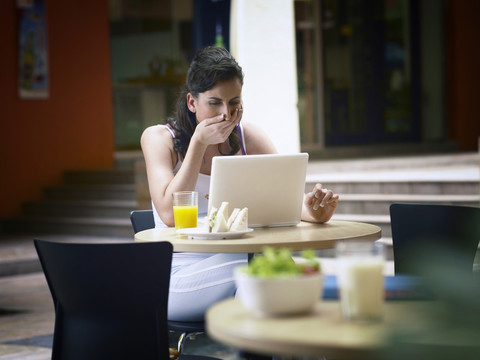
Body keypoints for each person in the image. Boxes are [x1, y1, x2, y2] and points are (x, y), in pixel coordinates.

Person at [141, 46, 339, 321]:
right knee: (265, 267)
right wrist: (198, 143)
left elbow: (283, 200)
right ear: (191, 103)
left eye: (234, 102)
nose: (226, 114)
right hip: (176, 276)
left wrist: (310, 211)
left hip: (236, 266)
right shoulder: (159, 138)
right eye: (214, 103)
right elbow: (168, 213)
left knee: (260, 290)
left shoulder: (250, 138)